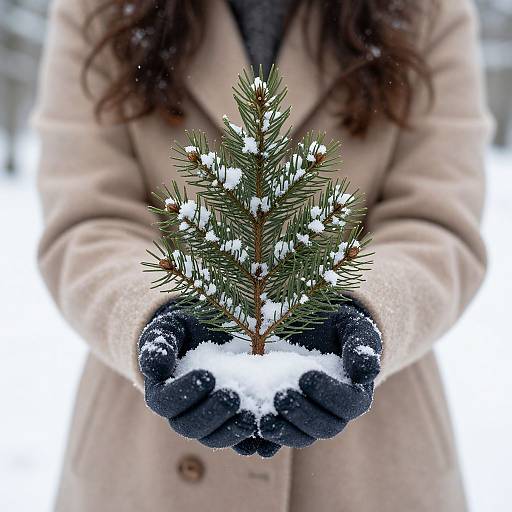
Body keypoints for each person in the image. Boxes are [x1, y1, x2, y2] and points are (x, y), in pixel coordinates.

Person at [33, 0, 492, 511]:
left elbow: (435, 218)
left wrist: (364, 309)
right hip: (146, 462)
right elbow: (88, 218)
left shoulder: (427, 10)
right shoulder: (98, 8)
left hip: (370, 465)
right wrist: (152, 314)